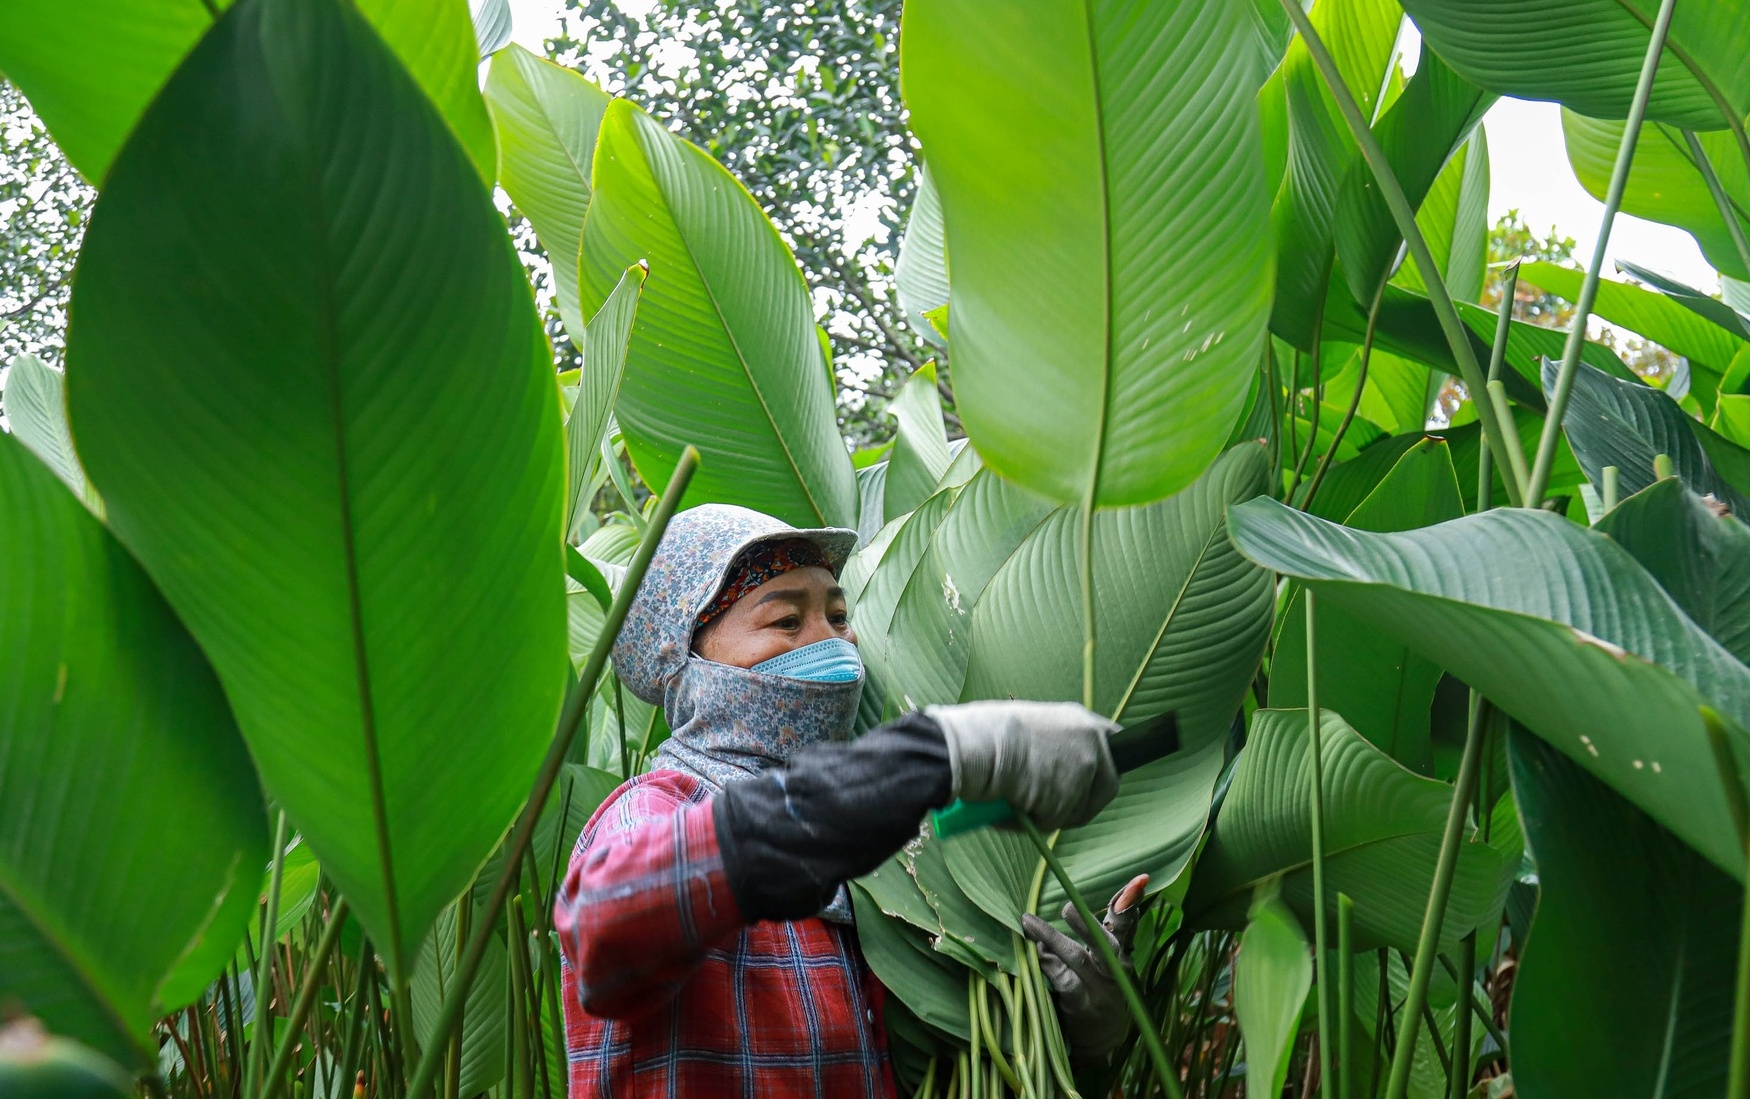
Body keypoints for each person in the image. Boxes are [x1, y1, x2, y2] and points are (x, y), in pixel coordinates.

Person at [554, 504, 1148, 1097]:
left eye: (838, 617)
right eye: (787, 622)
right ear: (688, 662)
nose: (831, 644)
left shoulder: (889, 861)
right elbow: (605, 924)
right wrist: (938, 753)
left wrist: (1075, 1025)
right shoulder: (656, 811)